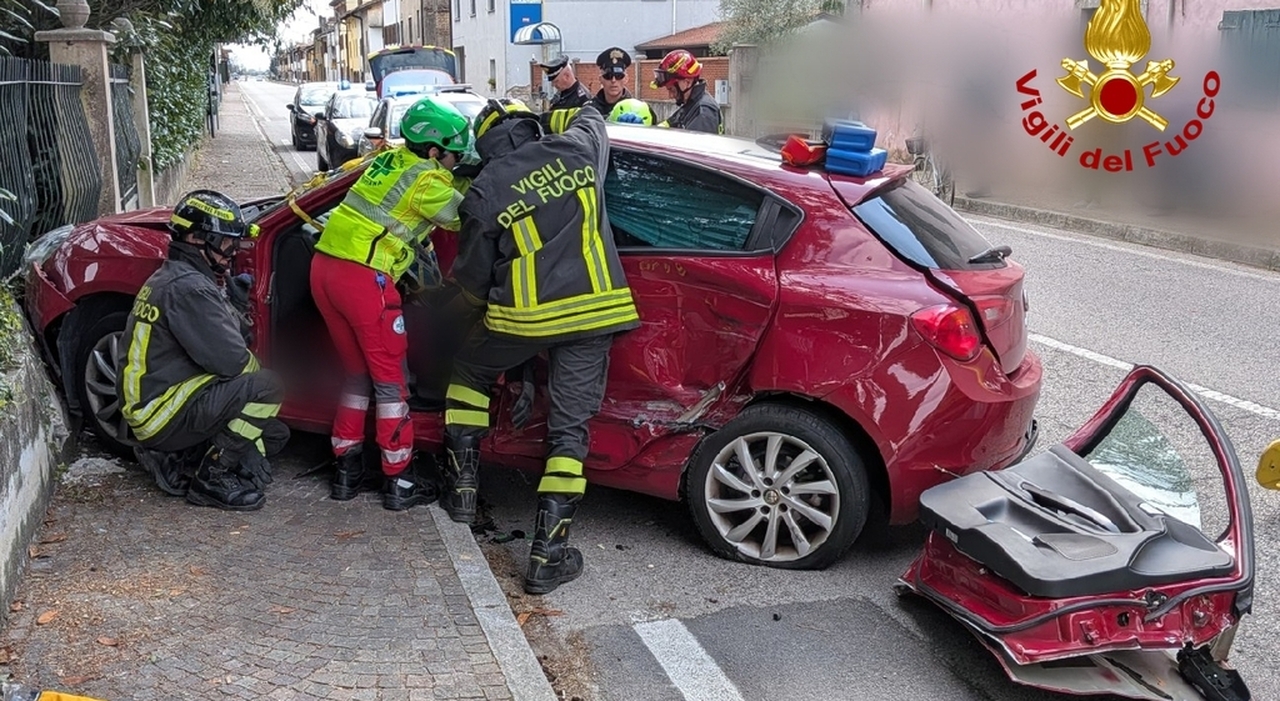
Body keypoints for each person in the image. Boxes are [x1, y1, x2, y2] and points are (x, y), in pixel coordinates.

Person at [443, 98, 639, 595]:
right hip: (595, 313)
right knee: (568, 431)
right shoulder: (577, 147)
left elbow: (471, 284)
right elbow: (591, 114)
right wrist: (543, 117)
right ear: (527, 126)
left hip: (524, 320)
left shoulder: (484, 190)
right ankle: (546, 557)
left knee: (467, 370)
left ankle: (462, 491)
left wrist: (442, 317)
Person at [309, 95, 473, 511]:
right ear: (435, 151)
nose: (456, 160)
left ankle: (346, 469)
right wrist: (479, 180)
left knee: (355, 376)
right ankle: (398, 480)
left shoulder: (388, 161)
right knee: (391, 385)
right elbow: (466, 217)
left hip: (324, 269)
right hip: (365, 278)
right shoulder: (429, 181)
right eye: (454, 153)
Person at [121, 190, 289, 512]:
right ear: (198, 239)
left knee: (275, 435)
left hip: (160, 404)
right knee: (269, 387)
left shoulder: (178, 277)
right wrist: (241, 449)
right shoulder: (190, 289)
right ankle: (211, 478)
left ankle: (180, 457)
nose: (231, 252)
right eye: (225, 243)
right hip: (162, 413)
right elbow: (234, 361)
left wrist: (233, 303)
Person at [651, 49, 723, 134]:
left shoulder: (703, 112)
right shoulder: (691, 105)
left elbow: (693, 145)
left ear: (687, 82)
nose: (670, 96)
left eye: (672, 89)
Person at [587, 47, 634, 117]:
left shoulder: (634, 109)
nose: (613, 80)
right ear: (600, 79)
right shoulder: (590, 110)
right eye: (608, 76)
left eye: (618, 76)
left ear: (626, 79)